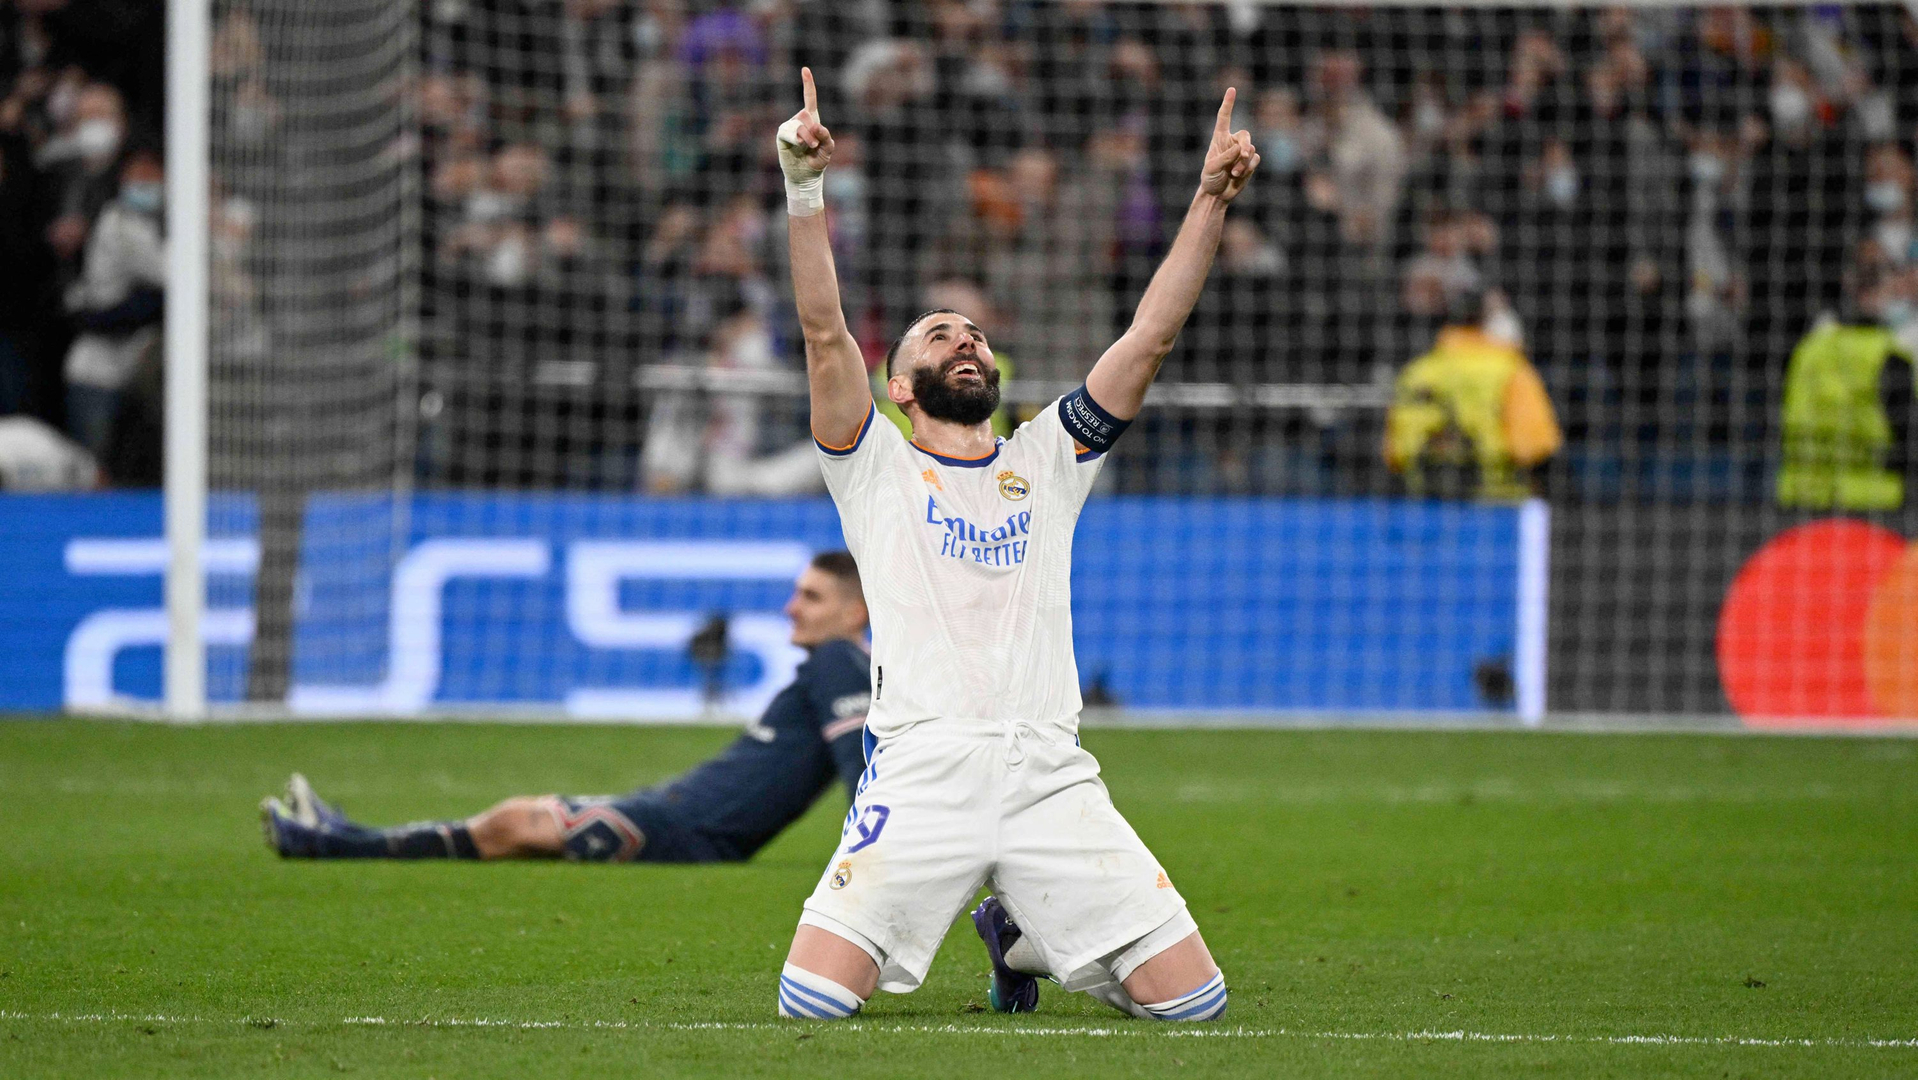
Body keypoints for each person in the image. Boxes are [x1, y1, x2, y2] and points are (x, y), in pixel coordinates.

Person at [769, 68, 1255, 1023]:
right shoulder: (872, 464)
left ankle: (1020, 938)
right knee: (811, 1003)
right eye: (938, 336)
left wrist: (1209, 199)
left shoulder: (1049, 455)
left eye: (977, 337)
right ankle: (1013, 928)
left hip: (1048, 772)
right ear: (898, 387)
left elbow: (1150, 336)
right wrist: (803, 185)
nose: (965, 343)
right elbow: (826, 334)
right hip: (924, 769)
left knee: (1194, 1006)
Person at [260, 551, 873, 864]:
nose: (791, 608)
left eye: (811, 597)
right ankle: (344, 837)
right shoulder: (839, 667)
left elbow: (861, 766)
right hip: (684, 819)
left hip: (687, 829)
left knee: (512, 823)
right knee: (514, 833)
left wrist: (866, 858)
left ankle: (337, 844)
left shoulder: (839, 661)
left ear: (856, 612)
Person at [1384, 287, 1562, 501]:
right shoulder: (1512, 371)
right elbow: (1534, 449)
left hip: (1423, 508)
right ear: (1487, 321)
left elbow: (1394, 454)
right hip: (1498, 506)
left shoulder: (1416, 372)